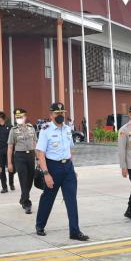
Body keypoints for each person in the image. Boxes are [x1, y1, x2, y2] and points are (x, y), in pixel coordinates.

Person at [35, 102, 89, 241]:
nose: (60, 115)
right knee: (48, 198)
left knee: (71, 200)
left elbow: (69, 149)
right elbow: (40, 153)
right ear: (51, 115)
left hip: (68, 168)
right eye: (57, 113)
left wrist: (72, 167)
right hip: (53, 168)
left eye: (62, 113)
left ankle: (75, 231)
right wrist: (46, 174)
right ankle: (40, 225)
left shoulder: (67, 129)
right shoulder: (45, 130)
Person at [7, 108, 36, 214]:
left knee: (30, 180)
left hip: (31, 155)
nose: (19, 119)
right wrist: (9, 163)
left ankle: (22, 198)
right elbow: (10, 147)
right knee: (23, 179)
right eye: (17, 117)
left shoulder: (31, 128)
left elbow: (35, 143)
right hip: (19, 157)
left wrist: (38, 158)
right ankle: (27, 203)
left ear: (25, 117)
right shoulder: (13, 130)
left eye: (21, 117)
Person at [0, 112, 14, 193]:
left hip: (9, 151)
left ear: (1, 117)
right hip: (0, 152)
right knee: (0, 169)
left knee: (11, 168)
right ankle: (4, 187)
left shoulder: (10, 127)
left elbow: (13, 140)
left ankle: (11, 183)